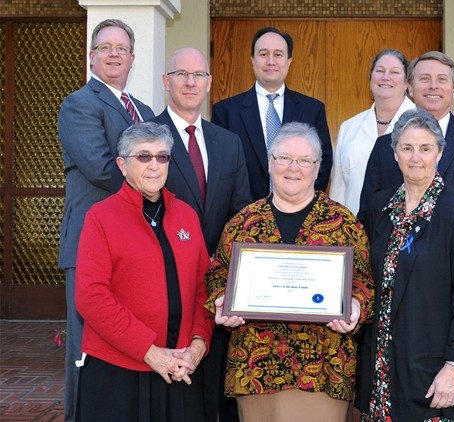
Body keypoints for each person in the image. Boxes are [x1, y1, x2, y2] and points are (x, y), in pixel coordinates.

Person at [204, 122, 374, 422]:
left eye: (305, 160)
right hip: (257, 367)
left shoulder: (344, 222)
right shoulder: (244, 223)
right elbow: (217, 275)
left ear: (318, 167)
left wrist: (356, 308)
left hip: (323, 370)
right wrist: (221, 301)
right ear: (270, 163)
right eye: (284, 158)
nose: (293, 168)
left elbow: (364, 283)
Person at [355, 108, 454, 421]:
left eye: (425, 148)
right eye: (407, 147)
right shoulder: (380, 207)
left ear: (439, 153)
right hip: (383, 364)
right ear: (395, 154)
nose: (416, 157)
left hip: (434, 366)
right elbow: (366, 276)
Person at [75, 122, 213, 421]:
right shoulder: (101, 217)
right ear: (122, 165)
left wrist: (198, 345)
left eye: (162, 157)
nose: (154, 165)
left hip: (181, 369)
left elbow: (205, 287)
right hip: (120, 372)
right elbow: (91, 297)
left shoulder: (187, 216)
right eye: (144, 156)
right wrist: (150, 351)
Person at [57, 18, 155, 422]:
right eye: (105, 47)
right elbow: (101, 168)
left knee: (126, 336)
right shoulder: (80, 103)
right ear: (92, 56)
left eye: (121, 47)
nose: (114, 54)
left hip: (134, 245)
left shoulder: (144, 110)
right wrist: (153, 180)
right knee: (86, 346)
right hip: (90, 242)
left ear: (133, 57)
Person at [360, 51, 454, 308]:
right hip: (399, 286)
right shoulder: (385, 146)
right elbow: (370, 215)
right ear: (409, 87)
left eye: (442, 79)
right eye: (424, 79)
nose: (433, 86)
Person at [151, 47, 252, 421]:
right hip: (166, 279)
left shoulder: (228, 142)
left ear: (210, 82)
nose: (190, 82)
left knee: (214, 377)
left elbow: (239, 211)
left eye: (199, 75)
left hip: (216, 278)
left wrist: (221, 263)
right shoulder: (149, 142)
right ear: (166, 81)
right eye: (181, 74)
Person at [212, 26, 333, 201]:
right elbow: (221, 169)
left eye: (278, 54)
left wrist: (300, 202)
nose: (270, 61)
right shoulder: (225, 112)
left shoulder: (312, 109)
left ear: (289, 61)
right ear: (252, 60)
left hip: (299, 213)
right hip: (244, 215)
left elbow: (323, 162)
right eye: (263, 54)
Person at [329, 49, 415, 215]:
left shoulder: (422, 125)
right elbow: (338, 190)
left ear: (407, 84)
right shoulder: (349, 127)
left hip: (405, 230)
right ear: (370, 80)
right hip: (355, 230)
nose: (385, 77)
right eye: (380, 71)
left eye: (395, 72)